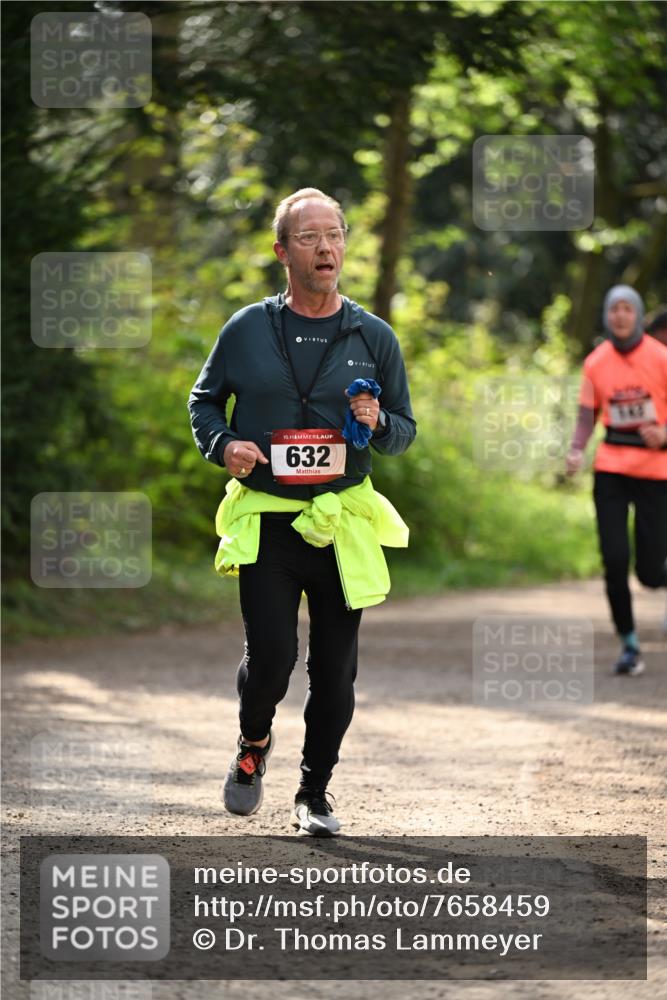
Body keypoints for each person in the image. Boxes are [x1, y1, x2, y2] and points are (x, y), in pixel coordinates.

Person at [188, 188, 416, 835]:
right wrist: (223, 442)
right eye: (310, 237)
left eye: (335, 235)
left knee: (335, 674)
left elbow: (405, 430)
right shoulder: (246, 330)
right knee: (270, 659)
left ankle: (314, 794)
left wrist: (380, 422)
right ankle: (253, 742)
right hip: (269, 517)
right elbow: (204, 403)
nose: (325, 248)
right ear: (281, 250)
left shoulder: (373, 337)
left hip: (341, 522)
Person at [566, 284, 667, 675]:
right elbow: (586, 416)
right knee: (614, 558)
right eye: (614, 310)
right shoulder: (596, 362)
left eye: (627, 309)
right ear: (607, 316)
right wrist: (577, 448)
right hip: (611, 468)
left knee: (650, 573)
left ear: (638, 315)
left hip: (655, 472)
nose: (620, 316)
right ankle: (629, 645)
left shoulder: (660, 357)